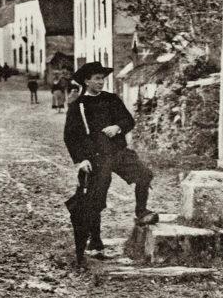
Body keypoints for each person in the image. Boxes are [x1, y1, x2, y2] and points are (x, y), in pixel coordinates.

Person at [63, 61, 158, 264]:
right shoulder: (78, 106)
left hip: (118, 152)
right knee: (95, 199)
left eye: (102, 78)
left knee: (144, 175)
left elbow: (128, 121)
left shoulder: (112, 99)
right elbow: (70, 137)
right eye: (97, 78)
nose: (101, 82)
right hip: (96, 158)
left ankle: (141, 212)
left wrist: (117, 127)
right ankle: (95, 242)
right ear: (86, 81)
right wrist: (81, 160)